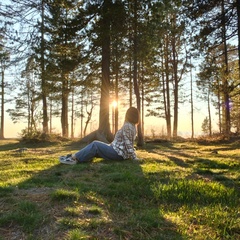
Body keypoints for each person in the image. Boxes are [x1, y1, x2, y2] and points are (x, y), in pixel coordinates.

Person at [59, 107, 140, 165]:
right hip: (117, 151)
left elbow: (128, 143)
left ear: (128, 115)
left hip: (117, 153)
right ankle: (75, 156)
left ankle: (73, 158)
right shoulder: (133, 126)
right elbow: (129, 142)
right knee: (93, 149)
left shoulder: (127, 126)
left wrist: (134, 157)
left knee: (95, 144)